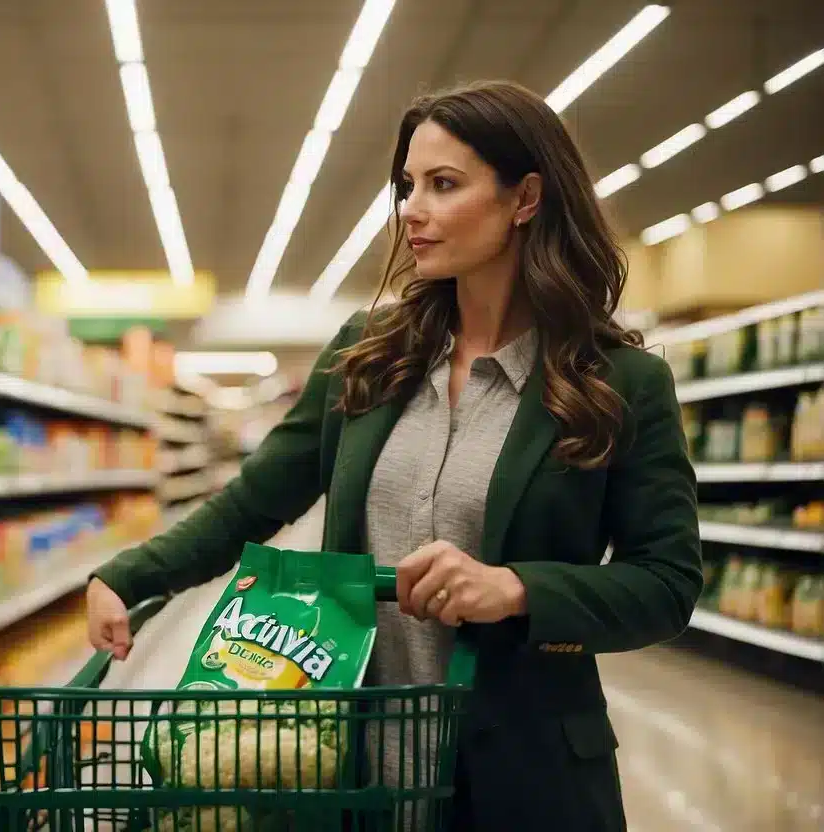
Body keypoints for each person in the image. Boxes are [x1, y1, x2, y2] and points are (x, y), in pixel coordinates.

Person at [86, 80, 703, 831]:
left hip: (524, 777)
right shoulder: (367, 354)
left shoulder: (617, 383)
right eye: (407, 185)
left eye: (443, 185)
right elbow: (253, 501)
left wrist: (516, 589)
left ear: (526, 198)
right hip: (357, 766)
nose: (411, 208)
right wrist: (127, 576)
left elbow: (665, 584)